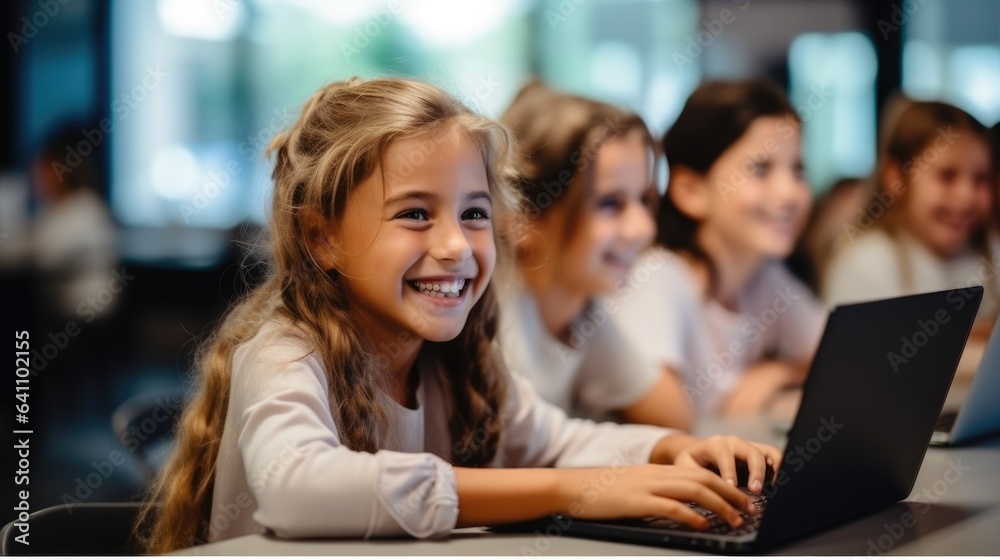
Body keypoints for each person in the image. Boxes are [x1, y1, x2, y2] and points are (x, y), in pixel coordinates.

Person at [137, 77, 781, 553]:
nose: (455, 245)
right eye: (415, 213)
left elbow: (558, 440)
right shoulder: (285, 352)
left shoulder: (456, 358)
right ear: (321, 238)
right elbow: (298, 485)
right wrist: (566, 491)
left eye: (474, 213)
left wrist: (680, 451)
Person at [611, 79, 826, 425]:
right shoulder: (659, 278)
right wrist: (755, 387)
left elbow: (844, 359)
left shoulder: (765, 278)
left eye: (798, 170)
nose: (789, 193)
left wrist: (774, 375)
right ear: (690, 190)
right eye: (761, 169)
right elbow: (670, 423)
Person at [496, 81, 689, 428]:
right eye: (610, 203)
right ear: (521, 215)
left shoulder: (581, 311)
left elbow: (674, 418)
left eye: (643, 200)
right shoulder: (491, 316)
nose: (643, 228)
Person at [823, 101, 997, 373]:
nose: (966, 197)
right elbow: (877, 361)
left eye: (980, 178)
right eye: (947, 176)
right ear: (895, 178)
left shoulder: (990, 255)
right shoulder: (867, 261)